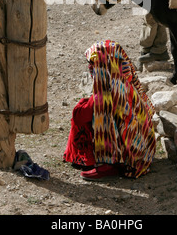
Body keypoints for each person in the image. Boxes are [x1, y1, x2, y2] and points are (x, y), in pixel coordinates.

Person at [63, 40, 156, 180]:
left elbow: (85, 117)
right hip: (143, 152)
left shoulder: (110, 94)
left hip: (129, 158)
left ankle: (107, 165)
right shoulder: (126, 83)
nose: (90, 68)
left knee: (82, 113)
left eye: (94, 64)